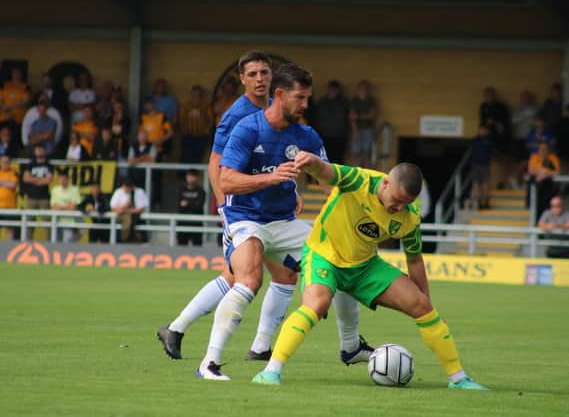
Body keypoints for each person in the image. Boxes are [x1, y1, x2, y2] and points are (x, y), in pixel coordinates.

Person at [158, 54, 368, 370]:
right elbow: (218, 164)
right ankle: (204, 348)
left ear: (273, 80)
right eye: (253, 73)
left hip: (276, 213)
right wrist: (224, 207)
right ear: (242, 79)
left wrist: (293, 189)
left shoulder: (293, 120)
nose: (260, 78)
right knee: (245, 278)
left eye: (265, 72)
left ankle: (250, 344)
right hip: (242, 211)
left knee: (279, 273)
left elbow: (309, 169)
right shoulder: (238, 117)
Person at [253, 156, 488, 390]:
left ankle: (458, 378)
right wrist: (311, 161)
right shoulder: (359, 181)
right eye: (397, 200)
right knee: (316, 304)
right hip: (325, 255)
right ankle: (271, 371)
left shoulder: (409, 217)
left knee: (421, 306)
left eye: (406, 203)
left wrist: (429, 304)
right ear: (385, 183)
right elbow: (326, 171)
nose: (399, 207)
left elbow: (414, 260)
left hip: (365, 266)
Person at [22, 144, 54, 238]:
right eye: (37, 149)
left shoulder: (49, 165)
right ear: (35, 151)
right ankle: (27, 242)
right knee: (29, 222)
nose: (39, 151)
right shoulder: (30, 164)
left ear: (44, 151)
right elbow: (25, 178)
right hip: (31, 197)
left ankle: (49, 243)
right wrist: (41, 180)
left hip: (44, 198)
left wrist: (33, 179)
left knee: (47, 223)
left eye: (41, 149)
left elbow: (48, 180)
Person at [315, 80, 350, 164]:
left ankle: (340, 177)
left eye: (334, 89)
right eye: (331, 89)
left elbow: (349, 117)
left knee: (339, 159)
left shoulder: (343, 102)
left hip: (339, 135)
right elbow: (317, 117)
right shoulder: (322, 102)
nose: (332, 91)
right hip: (325, 135)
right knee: (326, 159)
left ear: (338, 90)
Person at [511, 90, 538, 189]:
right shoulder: (517, 110)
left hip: (529, 138)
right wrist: (523, 117)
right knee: (519, 161)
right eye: (523, 97)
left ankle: (521, 181)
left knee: (527, 161)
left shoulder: (534, 110)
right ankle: (517, 180)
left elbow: (536, 122)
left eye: (527, 97)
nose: (525, 99)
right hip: (518, 138)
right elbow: (513, 121)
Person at [527, 141, 560, 220]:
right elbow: (531, 171)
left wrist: (544, 174)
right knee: (535, 208)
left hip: (547, 190)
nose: (542, 150)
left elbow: (556, 172)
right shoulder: (534, 156)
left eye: (545, 149)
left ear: (548, 150)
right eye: (540, 149)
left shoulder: (553, 158)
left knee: (545, 208)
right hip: (536, 189)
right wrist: (543, 172)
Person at [179, 85, 212, 164]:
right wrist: (183, 131)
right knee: (186, 157)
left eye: (198, 93)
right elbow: (181, 119)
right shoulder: (186, 106)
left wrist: (207, 129)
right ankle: (184, 175)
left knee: (198, 157)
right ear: (191, 94)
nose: (196, 95)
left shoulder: (205, 106)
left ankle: (195, 175)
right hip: (188, 136)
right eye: (194, 93)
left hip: (201, 136)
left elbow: (211, 119)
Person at [110, 176, 149, 243]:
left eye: (128, 187)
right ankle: (124, 239)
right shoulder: (118, 192)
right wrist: (124, 206)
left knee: (131, 219)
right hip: (122, 216)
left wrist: (128, 211)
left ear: (132, 186)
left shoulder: (139, 192)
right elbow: (113, 208)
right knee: (127, 218)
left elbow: (142, 208)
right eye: (125, 186)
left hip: (136, 217)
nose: (126, 188)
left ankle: (131, 238)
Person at [350, 80, 377, 168]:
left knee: (367, 153)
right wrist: (355, 131)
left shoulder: (371, 100)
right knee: (356, 152)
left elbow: (371, 115)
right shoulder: (354, 100)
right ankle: (356, 173)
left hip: (368, 129)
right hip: (356, 128)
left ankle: (366, 173)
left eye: (365, 88)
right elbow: (352, 116)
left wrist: (359, 117)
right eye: (362, 88)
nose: (363, 89)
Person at [0, 67, 31, 143]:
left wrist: (9, 107)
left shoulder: (25, 86)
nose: (16, 75)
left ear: (21, 75)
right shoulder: (5, 85)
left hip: (18, 118)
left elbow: (25, 101)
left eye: (18, 73)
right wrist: (6, 110)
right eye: (14, 72)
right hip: (4, 117)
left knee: (14, 138)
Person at [50, 171, 81, 243]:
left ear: (68, 179)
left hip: (70, 222)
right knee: (55, 243)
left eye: (64, 179)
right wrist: (67, 206)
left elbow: (73, 207)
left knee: (67, 243)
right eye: (60, 179)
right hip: (56, 221)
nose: (62, 181)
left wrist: (60, 207)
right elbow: (53, 207)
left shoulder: (75, 189)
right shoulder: (55, 190)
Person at [177, 169, 206, 246]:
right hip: (183, 224)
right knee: (181, 248)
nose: (191, 178)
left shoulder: (201, 191)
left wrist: (187, 204)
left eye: (193, 176)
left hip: (196, 224)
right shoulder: (181, 190)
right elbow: (179, 207)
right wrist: (193, 203)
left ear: (197, 178)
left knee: (197, 248)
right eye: (189, 176)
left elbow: (199, 207)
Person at [479, 86, 511, 154]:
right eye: (486, 96)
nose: (488, 97)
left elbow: (504, 122)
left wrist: (494, 122)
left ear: (494, 96)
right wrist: (482, 128)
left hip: (500, 133)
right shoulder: (483, 106)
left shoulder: (501, 106)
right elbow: (483, 120)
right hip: (488, 131)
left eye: (490, 95)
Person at [470, 124, 492, 209]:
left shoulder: (489, 140)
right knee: (476, 184)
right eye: (480, 130)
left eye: (483, 130)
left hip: (485, 165)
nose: (482, 131)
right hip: (476, 165)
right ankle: (478, 202)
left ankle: (486, 202)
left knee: (486, 184)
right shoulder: (475, 140)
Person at [0, 155, 19, 240]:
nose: (5, 164)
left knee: (10, 228)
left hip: (10, 206)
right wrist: (7, 183)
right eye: (3, 162)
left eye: (7, 162)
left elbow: (13, 184)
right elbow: (9, 184)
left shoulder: (13, 173)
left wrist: (1, 182)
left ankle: (9, 248)